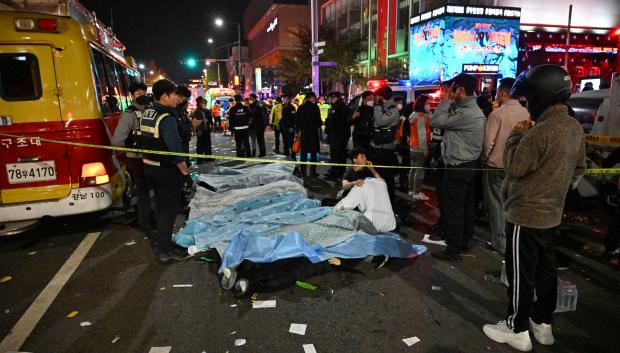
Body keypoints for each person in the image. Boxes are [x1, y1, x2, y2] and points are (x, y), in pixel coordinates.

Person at [482, 65, 586, 351]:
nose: (527, 103)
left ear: (541, 95)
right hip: (551, 214)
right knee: (546, 271)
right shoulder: (573, 127)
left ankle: (516, 327)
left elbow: (514, 166)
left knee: (520, 274)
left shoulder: (541, 131)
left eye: (529, 98)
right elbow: (580, 169)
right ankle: (542, 324)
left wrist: (516, 136)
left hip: (525, 214)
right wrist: (555, 189)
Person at [430, 73, 485, 262]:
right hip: (468, 165)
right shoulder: (468, 109)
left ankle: (453, 250)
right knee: (466, 206)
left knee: (455, 209)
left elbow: (435, 122)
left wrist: (446, 101)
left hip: (458, 166)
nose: (448, 92)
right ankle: (464, 241)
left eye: (452, 88)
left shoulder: (466, 112)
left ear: (459, 89)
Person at [139, 79, 189, 263]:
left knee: (160, 208)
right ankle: (165, 250)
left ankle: (163, 242)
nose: (177, 98)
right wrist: (185, 173)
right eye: (175, 94)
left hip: (150, 167)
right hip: (166, 171)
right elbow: (175, 149)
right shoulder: (166, 118)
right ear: (165, 96)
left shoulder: (148, 112)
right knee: (169, 210)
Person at [482, 77, 529, 254]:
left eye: (497, 93)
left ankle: (501, 243)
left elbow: (488, 143)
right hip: (519, 166)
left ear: (503, 92)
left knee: (496, 204)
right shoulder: (527, 113)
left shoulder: (497, 114)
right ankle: (514, 240)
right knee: (513, 204)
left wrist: (486, 159)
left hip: (496, 165)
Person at [111, 81, 152, 232]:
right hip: (136, 158)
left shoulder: (148, 110)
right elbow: (117, 140)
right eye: (138, 94)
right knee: (142, 190)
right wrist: (129, 150)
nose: (142, 96)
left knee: (148, 189)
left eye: (144, 93)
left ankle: (147, 216)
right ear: (132, 96)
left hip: (149, 156)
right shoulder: (129, 114)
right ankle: (144, 220)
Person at [336, 148, 395, 232]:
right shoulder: (349, 172)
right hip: (352, 199)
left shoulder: (368, 170)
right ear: (355, 160)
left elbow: (380, 181)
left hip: (364, 199)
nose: (365, 159)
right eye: (362, 157)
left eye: (365, 157)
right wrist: (354, 183)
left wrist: (372, 168)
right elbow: (345, 186)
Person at [370, 86, 400, 201]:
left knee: (387, 175)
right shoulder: (381, 109)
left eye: (377, 97)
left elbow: (380, 121)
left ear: (381, 97)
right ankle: (379, 198)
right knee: (378, 174)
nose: (375, 99)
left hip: (386, 148)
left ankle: (390, 199)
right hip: (377, 145)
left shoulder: (393, 111)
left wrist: (377, 106)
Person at [407, 94, 432, 201]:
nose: (429, 105)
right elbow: (422, 135)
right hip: (419, 147)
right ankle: (417, 191)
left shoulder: (413, 114)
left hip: (412, 146)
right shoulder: (421, 117)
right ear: (422, 104)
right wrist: (425, 148)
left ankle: (411, 189)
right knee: (419, 170)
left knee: (413, 169)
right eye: (427, 103)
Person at [324, 91, 350, 180]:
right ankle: (339, 172)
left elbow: (332, 121)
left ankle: (334, 174)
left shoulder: (337, 107)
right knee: (341, 154)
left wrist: (326, 132)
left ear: (335, 97)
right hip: (343, 134)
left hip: (337, 134)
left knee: (335, 154)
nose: (330, 100)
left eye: (331, 98)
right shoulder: (343, 106)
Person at [296, 91, 323, 177]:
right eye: (314, 98)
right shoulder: (315, 107)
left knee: (303, 153)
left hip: (304, 133)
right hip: (313, 133)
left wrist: (298, 131)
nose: (314, 100)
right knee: (313, 153)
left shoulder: (300, 107)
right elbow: (318, 121)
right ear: (311, 98)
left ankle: (303, 171)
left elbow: (297, 121)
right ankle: (312, 171)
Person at [191, 96, 214, 163]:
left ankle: (208, 157)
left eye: (204, 102)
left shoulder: (206, 110)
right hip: (200, 130)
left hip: (206, 129)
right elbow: (194, 122)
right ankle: (200, 158)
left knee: (208, 143)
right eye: (202, 102)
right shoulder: (196, 111)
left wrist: (212, 125)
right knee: (200, 144)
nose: (203, 103)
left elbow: (209, 119)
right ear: (199, 102)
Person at [174, 85, 193, 165]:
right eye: (184, 99)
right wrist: (191, 125)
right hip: (180, 144)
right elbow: (177, 129)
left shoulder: (181, 110)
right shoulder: (173, 111)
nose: (185, 101)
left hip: (185, 142)